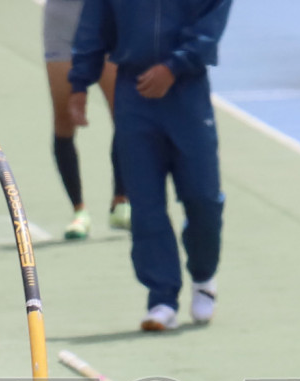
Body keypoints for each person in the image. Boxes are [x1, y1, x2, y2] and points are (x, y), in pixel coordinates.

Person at [68, 0, 231, 330]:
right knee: (145, 204)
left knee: (203, 198)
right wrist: (79, 82)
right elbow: (93, 23)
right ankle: (162, 298)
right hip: (134, 93)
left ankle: (203, 276)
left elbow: (211, 24)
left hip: (187, 92)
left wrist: (174, 67)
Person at [43, 0, 130, 240]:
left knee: (123, 113)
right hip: (63, 20)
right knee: (64, 119)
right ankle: (79, 210)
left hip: (107, 15)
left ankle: (121, 200)